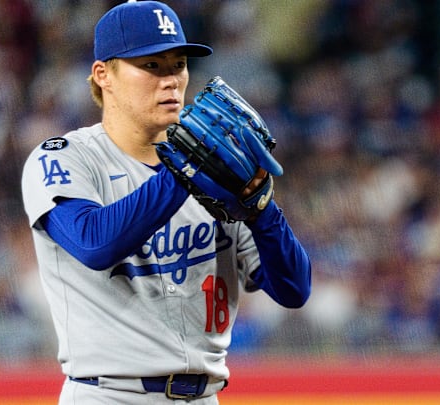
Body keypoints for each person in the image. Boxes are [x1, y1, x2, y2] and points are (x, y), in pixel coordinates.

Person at [21, 1, 311, 403]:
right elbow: (95, 243)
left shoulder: (218, 170)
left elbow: (293, 289)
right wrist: (185, 169)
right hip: (108, 395)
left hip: (204, 396)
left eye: (177, 65)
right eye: (151, 66)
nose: (170, 79)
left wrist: (264, 212)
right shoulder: (64, 158)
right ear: (104, 75)